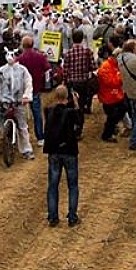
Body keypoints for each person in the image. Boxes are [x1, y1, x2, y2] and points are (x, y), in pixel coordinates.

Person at [44, 85, 83, 227]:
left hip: (53, 151)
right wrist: (77, 103)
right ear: (68, 97)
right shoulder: (71, 112)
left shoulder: (49, 110)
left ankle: (53, 216)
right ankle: (72, 216)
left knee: (53, 185)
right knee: (72, 185)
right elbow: (80, 122)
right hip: (69, 150)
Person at [0, 48, 33, 161]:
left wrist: (26, 96)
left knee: (22, 127)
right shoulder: (2, 70)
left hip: (18, 102)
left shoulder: (23, 70)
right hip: (4, 103)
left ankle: (26, 150)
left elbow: (28, 83)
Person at [17, 34, 51, 146]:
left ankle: (21, 138)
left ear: (23, 45)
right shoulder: (40, 57)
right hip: (36, 88)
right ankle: (40, 137)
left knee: (20, 114)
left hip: (23, 90)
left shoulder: (20, 59)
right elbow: (47, 70)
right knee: (37, 114)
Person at [97, 37, 128, 143]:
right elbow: (111, 83)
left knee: (122, 109)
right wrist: (121, 77)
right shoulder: (106, 67)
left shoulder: (116, 65)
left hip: (117, 95)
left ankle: (111, 128)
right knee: (112, 116)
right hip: (108, 97)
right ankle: (106, 135)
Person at [63, 28, 96, 115]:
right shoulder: (88, 52)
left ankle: (73, 119)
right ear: (82, 39)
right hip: (83, 81)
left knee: (72, 103)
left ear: (73, 39)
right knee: (81, 102)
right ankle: (80, 117)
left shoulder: (68, 53)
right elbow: (93, 67)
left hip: (72, 82)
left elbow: (65, 70)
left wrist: (64, 82)